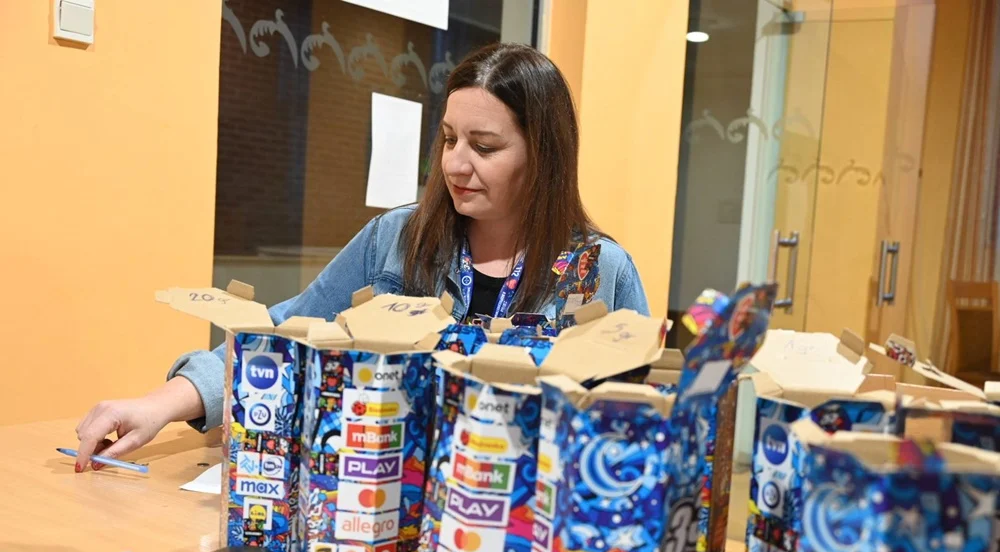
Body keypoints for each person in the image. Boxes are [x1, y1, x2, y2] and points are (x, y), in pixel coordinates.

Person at [73, 42, 650, 471]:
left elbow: (640, 425)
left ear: (543, 156)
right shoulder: (395, 238)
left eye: (484, 146)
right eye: (450, 139)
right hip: (384, 502)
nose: (455, 164)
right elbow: (281, 334)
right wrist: (157, 406)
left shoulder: (602, 272)